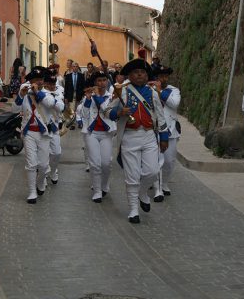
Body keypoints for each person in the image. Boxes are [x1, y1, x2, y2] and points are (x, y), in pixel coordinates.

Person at [106, 58, 169, 223]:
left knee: (152, 171)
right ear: (130, 75)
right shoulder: (122, 91)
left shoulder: (153, 93)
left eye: (143, 72)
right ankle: (134, 209)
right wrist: (119, 113)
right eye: (136, 72)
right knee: (132, 175)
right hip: (129, 136)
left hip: (149, 136)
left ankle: (142, 193)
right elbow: (106, 111)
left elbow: (161, 118)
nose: (140, 75)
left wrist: (163, 138)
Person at [11, 66, 58, 204]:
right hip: (28, 132)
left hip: (43, 133)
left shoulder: (47, 93)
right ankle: (32, 191)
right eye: (35, 80)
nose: (38, 82)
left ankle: (41, 181)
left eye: (40, 80)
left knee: (43, 166)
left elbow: (50, 104)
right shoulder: (24, 91)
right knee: (31, 163)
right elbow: (15, 108)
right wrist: (21, 95)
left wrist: (38, 92)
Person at [82, 71, 116, 203]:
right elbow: (84, 115)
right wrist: (88, 99)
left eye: (104, 80)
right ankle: (97, 191)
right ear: (95, 83)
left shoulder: (112, 96)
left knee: (106, 163)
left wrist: (96, 96)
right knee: (95, 164)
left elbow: (106, 110)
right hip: (92, 133)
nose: (102, 83)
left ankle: (104, 184)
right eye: (99, 81)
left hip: (107, 133)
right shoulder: (89, 97)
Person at [152, 66, 181, 202]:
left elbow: (174, 104)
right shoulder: (149, 89)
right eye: (160, 76)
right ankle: (157, 189)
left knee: (169, 161)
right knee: (158, 160)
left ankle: (164, 183)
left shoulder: (174, 91)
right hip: (155, 130)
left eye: (165, 76)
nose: (162, 79)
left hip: (171, 130)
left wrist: (160, 92)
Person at [44, 70, 65, 185]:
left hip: (54, 125)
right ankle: (45, 173)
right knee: (44, 152)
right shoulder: (40, 93)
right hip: (43, 125)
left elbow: (60, 107)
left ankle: (53, 170)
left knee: (56, 152)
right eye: (49, 84)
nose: (52, 86)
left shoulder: (59, 91)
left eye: (53, 83)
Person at [64, 61, 85, 126]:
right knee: (72, 109)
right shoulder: (68, 76)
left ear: (78, 67)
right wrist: (65, 97)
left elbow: (83, 86)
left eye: (76, 66)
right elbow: (66, 87)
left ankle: (79, 122)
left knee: (78, 109)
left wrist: (83, 95)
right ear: (72, 67)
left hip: (79, 94)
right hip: (71, 95)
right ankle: (72, 124)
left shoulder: (81, 76)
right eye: (74, 66)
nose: (75, 68)